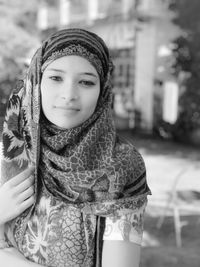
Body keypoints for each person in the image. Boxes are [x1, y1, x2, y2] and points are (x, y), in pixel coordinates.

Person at [0, 28, 151, 267]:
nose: (69, 94)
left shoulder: (120, 165)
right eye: (56, 78)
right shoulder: (13, 150)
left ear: (102, 91)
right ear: (36, 82)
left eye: (86, 82)